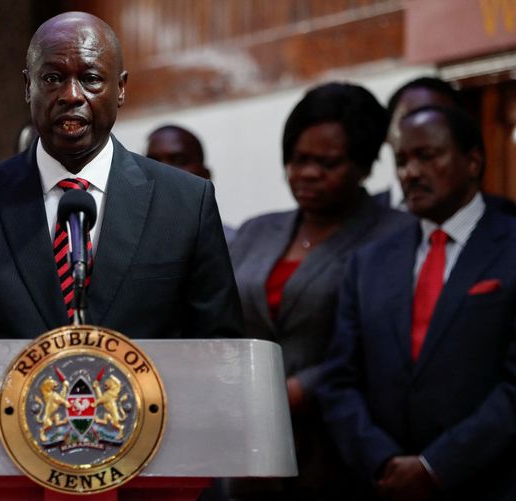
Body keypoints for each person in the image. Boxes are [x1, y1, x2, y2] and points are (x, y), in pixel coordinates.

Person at [0, 11, 242, 342]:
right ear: (28, 86)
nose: (71, 95)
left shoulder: (186, 203)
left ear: (121, 88)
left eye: (91, 78)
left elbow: (221, 349)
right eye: (52, 79)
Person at [317, 105, 516, 500]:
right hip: (385, 484)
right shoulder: (369, 262)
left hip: (491, 483)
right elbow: (338, 380)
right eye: (402, 160)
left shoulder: (510, 245)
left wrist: (436, 467)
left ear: (473, 161)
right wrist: (382, 460)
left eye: (427, 156)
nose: (410, 172)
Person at [228, 82, 412, 500]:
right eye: (298, 159)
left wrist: (297, 390)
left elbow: (382, 345)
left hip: (342, 452)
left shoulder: (395, 236)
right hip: (248, 452)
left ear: (364, 165)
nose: (308, 173)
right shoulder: (258, 231)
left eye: (327, 163)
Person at [375, 76, 516, 215]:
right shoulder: (365, 218)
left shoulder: (505, 216)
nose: (419, 128)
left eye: (432, 119)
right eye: (410, 118)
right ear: (386, 133)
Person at [146, 124, 236, 242]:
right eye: (152, 162)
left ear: (205, 176)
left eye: (178, 160)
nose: (162, 171)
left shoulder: (237, 247)